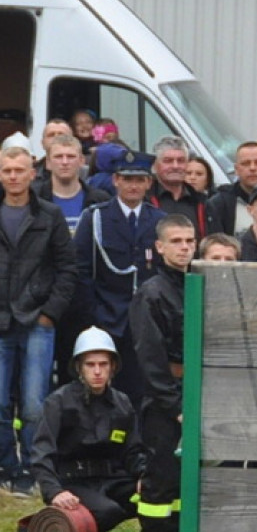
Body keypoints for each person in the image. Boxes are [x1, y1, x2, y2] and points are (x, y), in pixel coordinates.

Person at [0, 144, 78, 497]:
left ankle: (33, 468)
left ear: (33, 173)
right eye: (7, 171)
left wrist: (49, 315)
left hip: (36, 323)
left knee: (34, 403)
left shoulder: (50, 215)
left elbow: (67, 269)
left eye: (20, 170)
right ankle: (6, 467)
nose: (13, 176)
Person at [30, 327, 147, 532]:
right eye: (90, 364)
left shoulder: (122, 403)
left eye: (103, 364)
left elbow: (133, 450)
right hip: (73, 483)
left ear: (113, 366)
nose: (97, 371)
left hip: (110, 479)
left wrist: (144, 476)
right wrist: (55, 492)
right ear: (78, 368)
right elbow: (41, 452)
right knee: (109, 512)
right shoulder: (59, 402)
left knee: (155, 492)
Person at [73, 150, 165, 405]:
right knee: (101, 394)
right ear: (115, 181)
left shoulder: (160, 222)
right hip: (107, 320)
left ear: (148, 183)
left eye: (139, 180)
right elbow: (81, 271)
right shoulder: (96, 217)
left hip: (146, 322)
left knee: (141, 394)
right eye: (127, 179)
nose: (133, 186)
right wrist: (94, 314)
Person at [130, 214, 196, 532]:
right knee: (161, 476)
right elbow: (150, 358)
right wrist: (174, 405)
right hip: (166, 399)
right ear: (159, 247)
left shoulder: (198, 284)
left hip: (197, 392)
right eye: (176, 241)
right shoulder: (152, 293)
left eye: (189, 241)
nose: (184, 248)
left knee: (188, 479)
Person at [34, 133, 110, 236]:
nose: (65, 162)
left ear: (81, 161)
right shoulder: (33, 199)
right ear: (48, 163)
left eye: (70, 156)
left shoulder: (101, 201)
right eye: (58, 156)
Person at [147, 136, 210, 240]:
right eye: (168, 161)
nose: (175, 166)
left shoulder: (202, 202)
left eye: (181, 161)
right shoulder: (145, 199)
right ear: (155, 165)